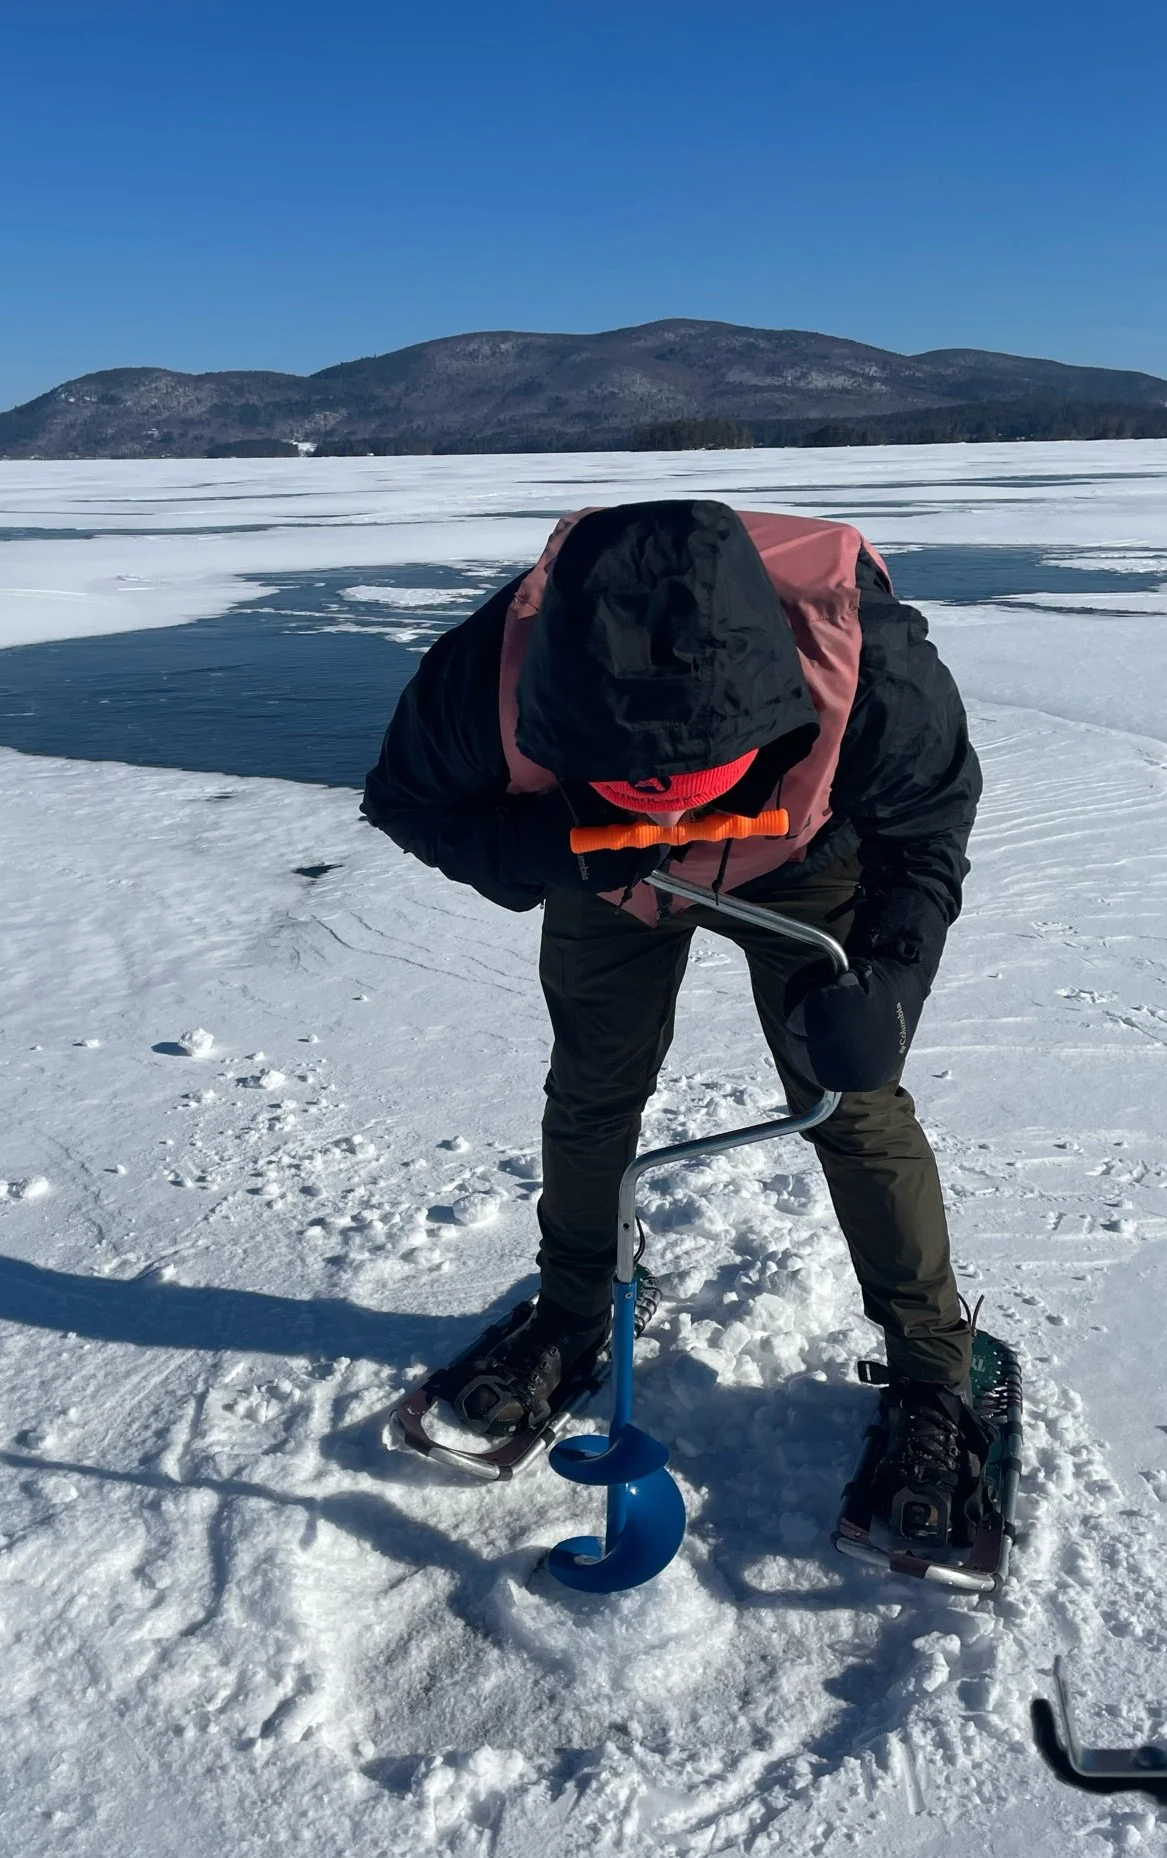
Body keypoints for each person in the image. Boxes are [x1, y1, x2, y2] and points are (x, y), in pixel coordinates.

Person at [361, 498, 994, 1552]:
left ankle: (934, 1369)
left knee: (849, 1098)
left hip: (802, 863)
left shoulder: (863, 648)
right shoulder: (493, 669)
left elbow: (928, 817)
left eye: (696, 789)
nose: (668, 816)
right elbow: (409, 802)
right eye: (638, 789)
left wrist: (893, 983)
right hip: (599, 876)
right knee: (593, 1086)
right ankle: (572, 1305)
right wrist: (560, 845)